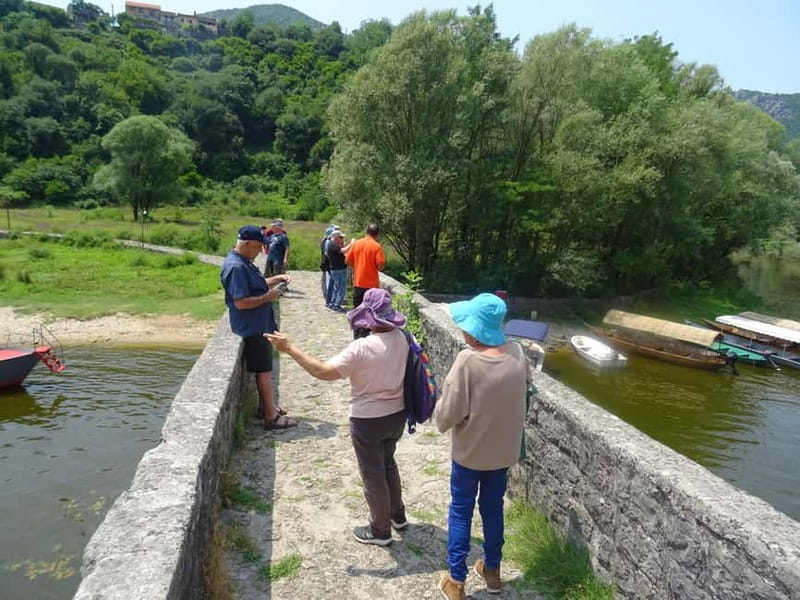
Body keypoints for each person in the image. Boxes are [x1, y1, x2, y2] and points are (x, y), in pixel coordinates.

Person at [266, 288, 409, 546]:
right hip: (397, 414)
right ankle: (397, 515)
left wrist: (289, 348)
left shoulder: (361, 348)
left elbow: (323, 372)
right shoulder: (403, 337)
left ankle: (380, 530)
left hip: (368, 421)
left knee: (373, 473)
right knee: (388, 462)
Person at [435, 293, 528, 599]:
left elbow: (448, 414)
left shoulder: (468, 361)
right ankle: (492, 572)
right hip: (502, 453)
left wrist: (440, 414)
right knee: (493, 508)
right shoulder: (517, 353)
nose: (462, 329)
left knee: (461, 511)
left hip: (470, 453)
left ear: (475, 330)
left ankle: (456, 581)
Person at [220, 225, 297, 431]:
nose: (261, 251)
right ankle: (271, 417)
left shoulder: (243, 262)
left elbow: (255, 284)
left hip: (258, 324)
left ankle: (266, 407)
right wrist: (268, 297)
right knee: (264, 372)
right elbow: (240, 302)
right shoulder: (236, 267)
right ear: (247, 244)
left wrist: (275, 280)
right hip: (252, 327)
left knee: (265, 370)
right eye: (258, 247)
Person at [345, 224, 385, 338]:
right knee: (370, 312)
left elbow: (347, 260)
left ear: (366, 232)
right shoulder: (376, 246)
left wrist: (357, 266)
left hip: (358, 283)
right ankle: (365, 335)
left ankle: (356, 335)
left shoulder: (357, 243)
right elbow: (381, 265)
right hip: (372, 285)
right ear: (377, 235)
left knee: (357, 310)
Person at [326, 229, 352, 312]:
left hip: (336, 269)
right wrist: (352, 243)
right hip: (339, 269)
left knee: (336, 287)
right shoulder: (333, 245)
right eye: (341, 237)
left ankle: (332, 304)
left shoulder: (332, 245)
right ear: (336, 238)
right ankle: (336, 305)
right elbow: (344, 250)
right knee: (341, 288)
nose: (342, 239)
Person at [319, 224, 339, 304]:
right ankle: (329, 298)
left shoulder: (324, 241)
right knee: (329, 281)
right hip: (329, 264)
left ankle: (328, 297)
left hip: (327, 264)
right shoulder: (328, 242)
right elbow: (327, 254)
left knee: (327, 280)